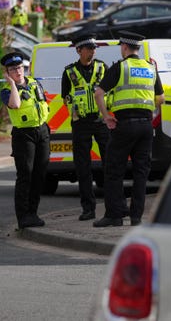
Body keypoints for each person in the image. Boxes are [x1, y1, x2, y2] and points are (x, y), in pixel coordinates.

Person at [92, 31, 164, 227]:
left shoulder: (120, 68)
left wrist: (107, 116)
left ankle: (114, 216)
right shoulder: (150, 68)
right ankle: (136, 217)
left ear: (124, 47)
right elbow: (161, 98)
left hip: (123, 125)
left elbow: (99, 93)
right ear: (137, 48)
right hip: (145, 126)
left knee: (114, 170)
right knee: (141, 173)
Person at [0, 52, 51, 229]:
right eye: (13, 69)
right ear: (7, 72)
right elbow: (15, 105)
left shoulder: (34, 84)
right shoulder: (7, 91)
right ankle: (23, 216)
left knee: (39, 174)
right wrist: (12, 84)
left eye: (20, 67)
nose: (18, 71)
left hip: (42, 131)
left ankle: (33, 213)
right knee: (26, 175)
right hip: (24, 135)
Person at [61, 34, 109, 221]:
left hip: (100, 121)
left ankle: (113, 205)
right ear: (79, 50)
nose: (93, 51)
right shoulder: (68, 72)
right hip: (80, 123)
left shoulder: (102, 67)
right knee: (83, 167)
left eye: (94, 48)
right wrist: (72, 108)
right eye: (89, 48)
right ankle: (88, 208)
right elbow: (65, 96)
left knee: (110, 163)